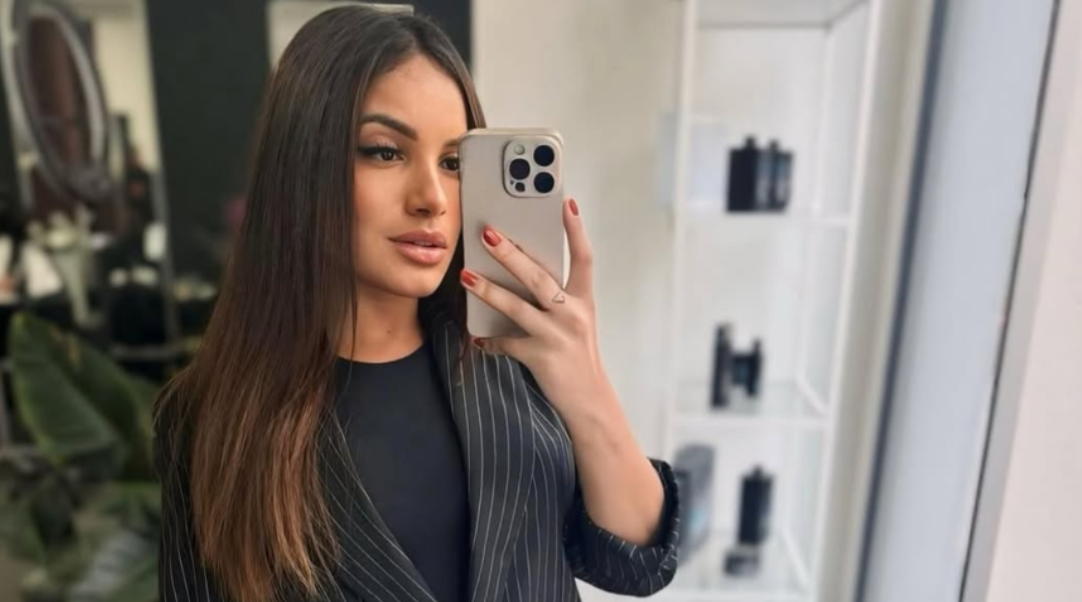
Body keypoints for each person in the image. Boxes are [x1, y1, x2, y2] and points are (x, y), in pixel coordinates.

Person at [153, 7, 679, 602]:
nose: (433, 198)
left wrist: (586, 384)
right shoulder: (208, 418)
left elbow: (638, 567)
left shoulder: (510, 358)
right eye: (385, 152)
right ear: (301, 165)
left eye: (453, 163)